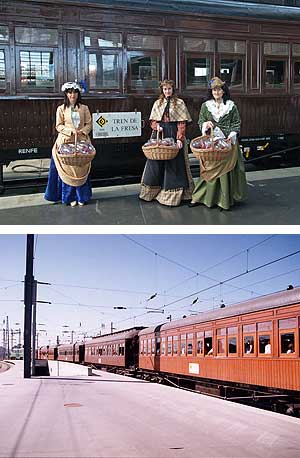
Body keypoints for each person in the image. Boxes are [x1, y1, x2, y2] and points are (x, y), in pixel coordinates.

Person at [189, 76, 247, 210]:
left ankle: (224, 200)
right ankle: (203, 197)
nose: (217, 92)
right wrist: (205, 124)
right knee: (208, 170)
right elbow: (200, 121)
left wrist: (231, 137)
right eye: (214, 90)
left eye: (219, 90)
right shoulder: (206, 106)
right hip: (211, 144)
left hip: (228, 144)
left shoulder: (231, 106)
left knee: (225, 172)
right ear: (211, 92)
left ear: (223, 91)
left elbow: (236, 123)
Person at [139, 79, 194, 206]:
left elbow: (182, 122)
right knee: (155, 162)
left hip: (173, 133)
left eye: (169, 89)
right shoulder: (158, 103)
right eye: (165, 89)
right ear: (162, 90)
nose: (167, 91)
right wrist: (156, 126)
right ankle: (152, 193)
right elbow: (153, 120)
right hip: (160, 134)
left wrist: (179, 139)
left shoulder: (179, 103)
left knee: (174, 164)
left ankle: (172, 196)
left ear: (172, 89)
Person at [44, 82, 93, 206]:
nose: (72, 95)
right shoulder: (61, 108)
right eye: (70, 92)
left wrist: (82, 131)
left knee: (80, 168)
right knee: (67, 168)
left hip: (81, 142)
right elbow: (58, 125)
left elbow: (89, 124)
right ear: (66, 94)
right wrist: (70, 131)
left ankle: (82, 196)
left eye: (75, 92)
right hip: (65, 142)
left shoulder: (84, 108)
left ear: (78, 94)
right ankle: (69, 197)